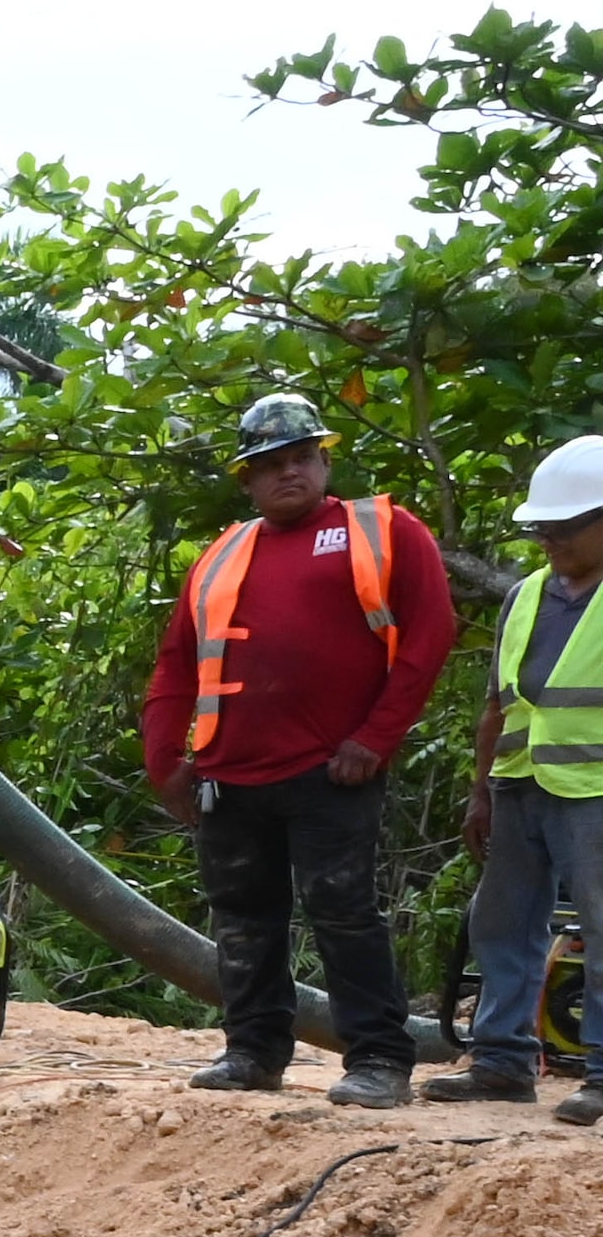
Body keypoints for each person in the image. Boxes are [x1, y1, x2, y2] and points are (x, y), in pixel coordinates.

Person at [144, 390, 456, 1107]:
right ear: (247, 479)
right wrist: (166, 762)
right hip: (230, 776)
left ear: (323, 461)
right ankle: (252, 1051)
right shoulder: (222, 555)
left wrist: (375, 739)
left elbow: (430, 636)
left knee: (343, 911)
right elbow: (176, 665)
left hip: (330, 773)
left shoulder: (381, 530)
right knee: (242, 918)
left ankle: (378, 1058)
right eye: (272, 464)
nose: (291, 473)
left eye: (303, 458)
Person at [428, 431, 603, 1124]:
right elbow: (499, 703)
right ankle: (501, 1061)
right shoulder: (527, 595)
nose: (550, 540)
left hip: (593, 791)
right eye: (543, 529)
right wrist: (482, 790)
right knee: (501, 923)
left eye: (565, 528)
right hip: (521, 784)